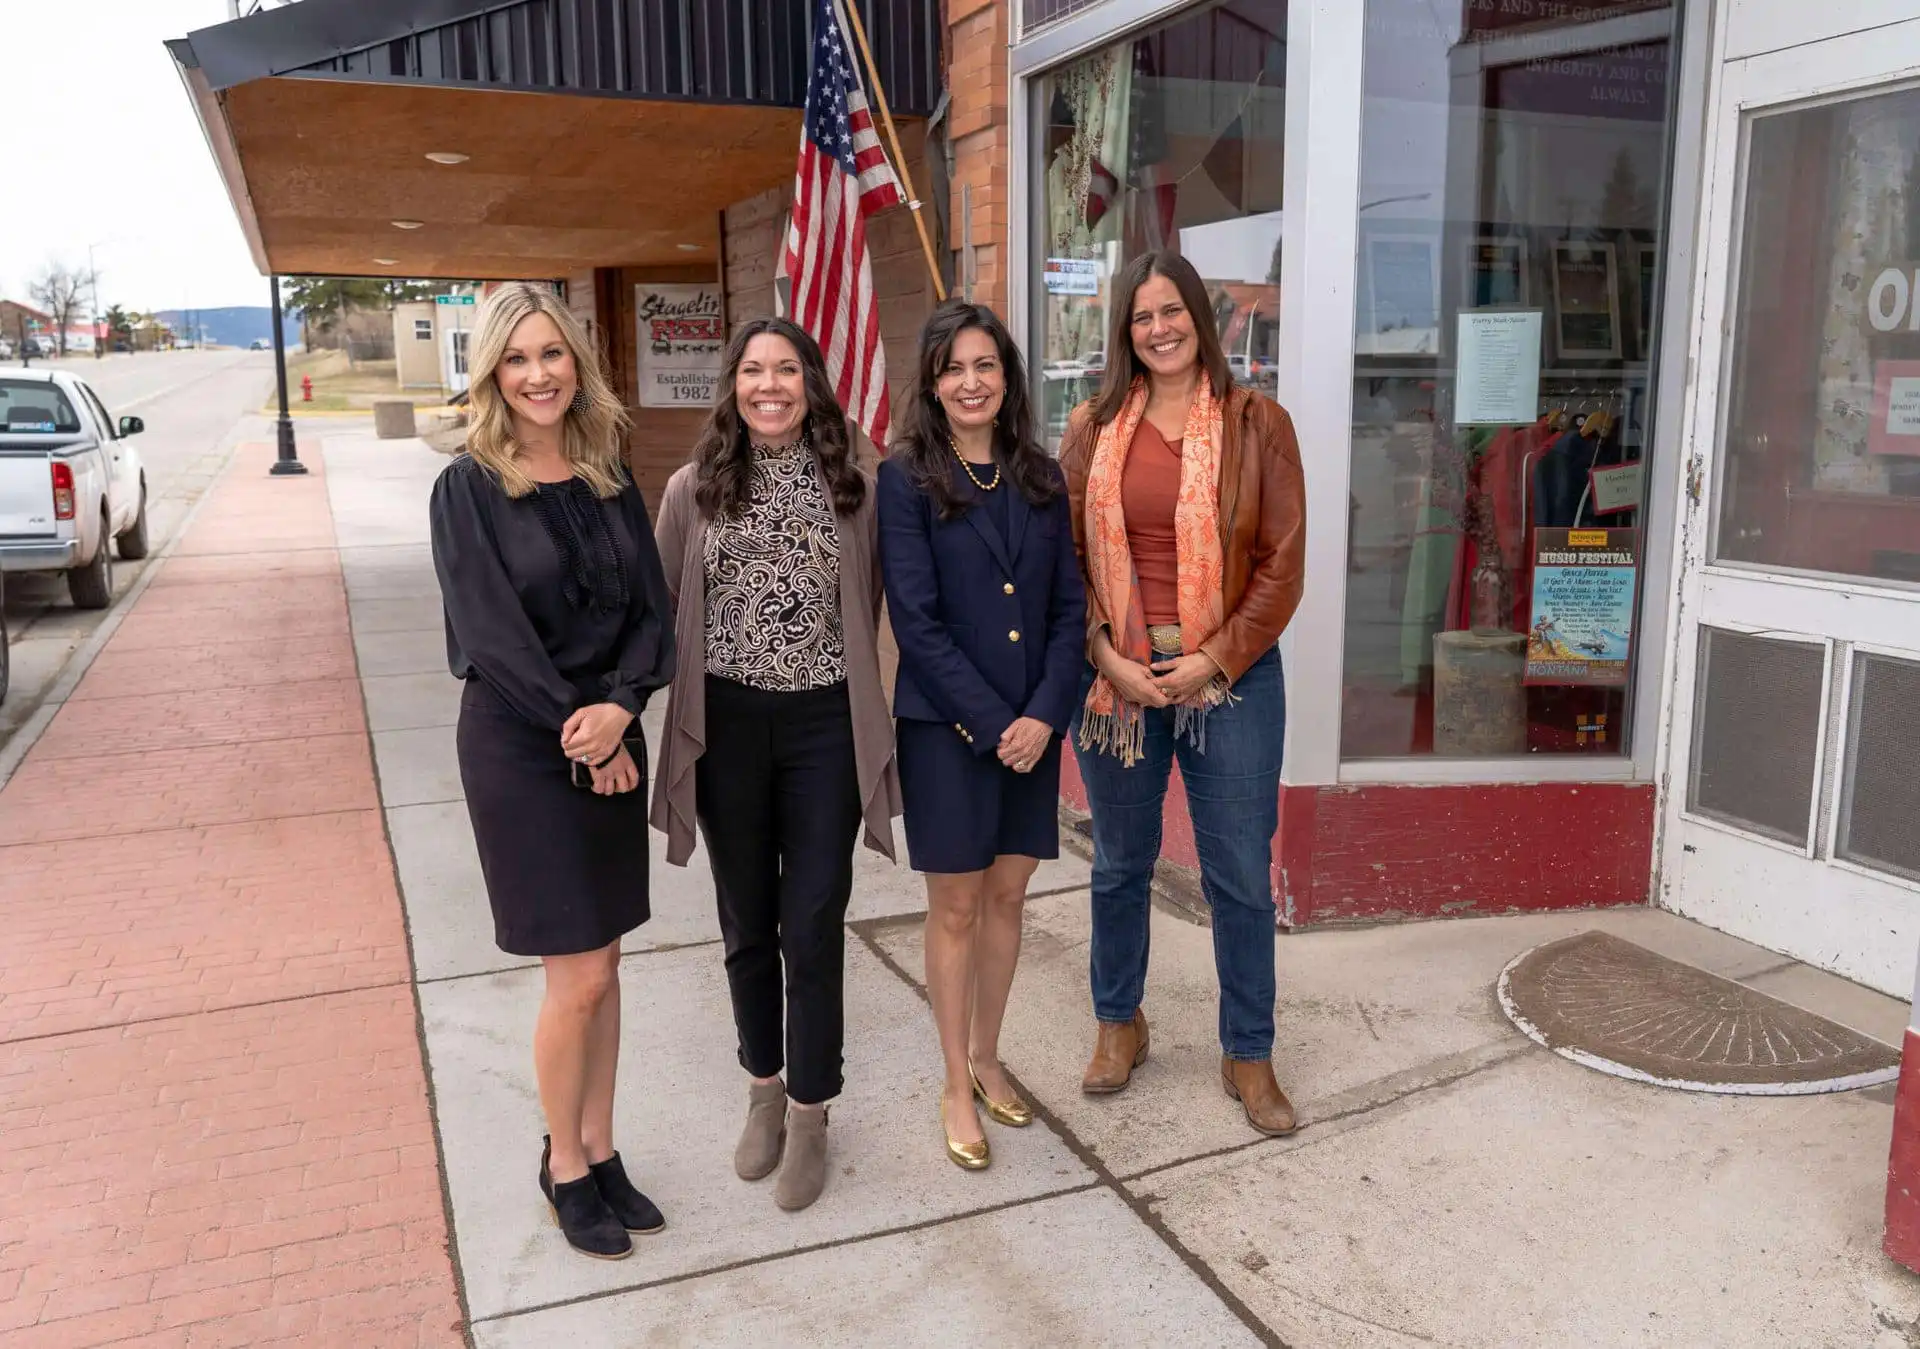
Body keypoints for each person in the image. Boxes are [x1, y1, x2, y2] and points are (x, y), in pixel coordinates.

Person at [428, 282, 676, 1260]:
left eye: (553, 354)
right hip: (525, 747)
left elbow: (651, 612)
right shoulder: (468, 487)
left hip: (610, 727)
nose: (539, 374)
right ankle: (563, 1166)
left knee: (606, 967)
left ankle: (602, 1148)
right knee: (572, 976)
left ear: (578, 361)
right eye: (518, 358)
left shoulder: (608, 469)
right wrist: (592, 736)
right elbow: (492, 637)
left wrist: (625, 706)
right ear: (493, 370)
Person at [650, 316, 899, 1212]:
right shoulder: (694, 488)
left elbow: (875, 602)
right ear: (733, 384)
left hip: (825, 727)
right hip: (728, 727)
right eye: (753, 370)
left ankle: (810, 1109)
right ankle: (763, 1083)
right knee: (747, 919)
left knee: (813, 920)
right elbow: (665, 606)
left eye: (785, 370)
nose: (769, 386)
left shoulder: (855, 487)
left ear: (811, 382)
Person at [1059, 249, 1307, 1137]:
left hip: (1229, 679)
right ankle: (1119, 1022)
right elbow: (1071, 563)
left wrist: (1213, 659)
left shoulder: (1256, 423)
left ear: (1203, 319)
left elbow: (1282, 567)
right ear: (1124, 332)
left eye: (1173, 311)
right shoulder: (1092, 428)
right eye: (1141, 316)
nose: (1159, 328)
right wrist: (1102, 653)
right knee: (1120, 864)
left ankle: (1249, 1051)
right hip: (1120, 683)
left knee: (1237, 875)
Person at [877, 301, 1086, 1171]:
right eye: (954, 368)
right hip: (948, 732)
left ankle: (990, 1055)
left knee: (1009, 900)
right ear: (933, 383)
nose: (971, 382)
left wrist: (1044, 716)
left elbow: (1070, 609)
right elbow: (916, 623)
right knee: (956, 906)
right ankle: (953, 1080)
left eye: (986, 366)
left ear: (1007, 379)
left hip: (1033, 732)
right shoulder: (907, 479)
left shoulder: (1041, 476)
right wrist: (1001, 724)